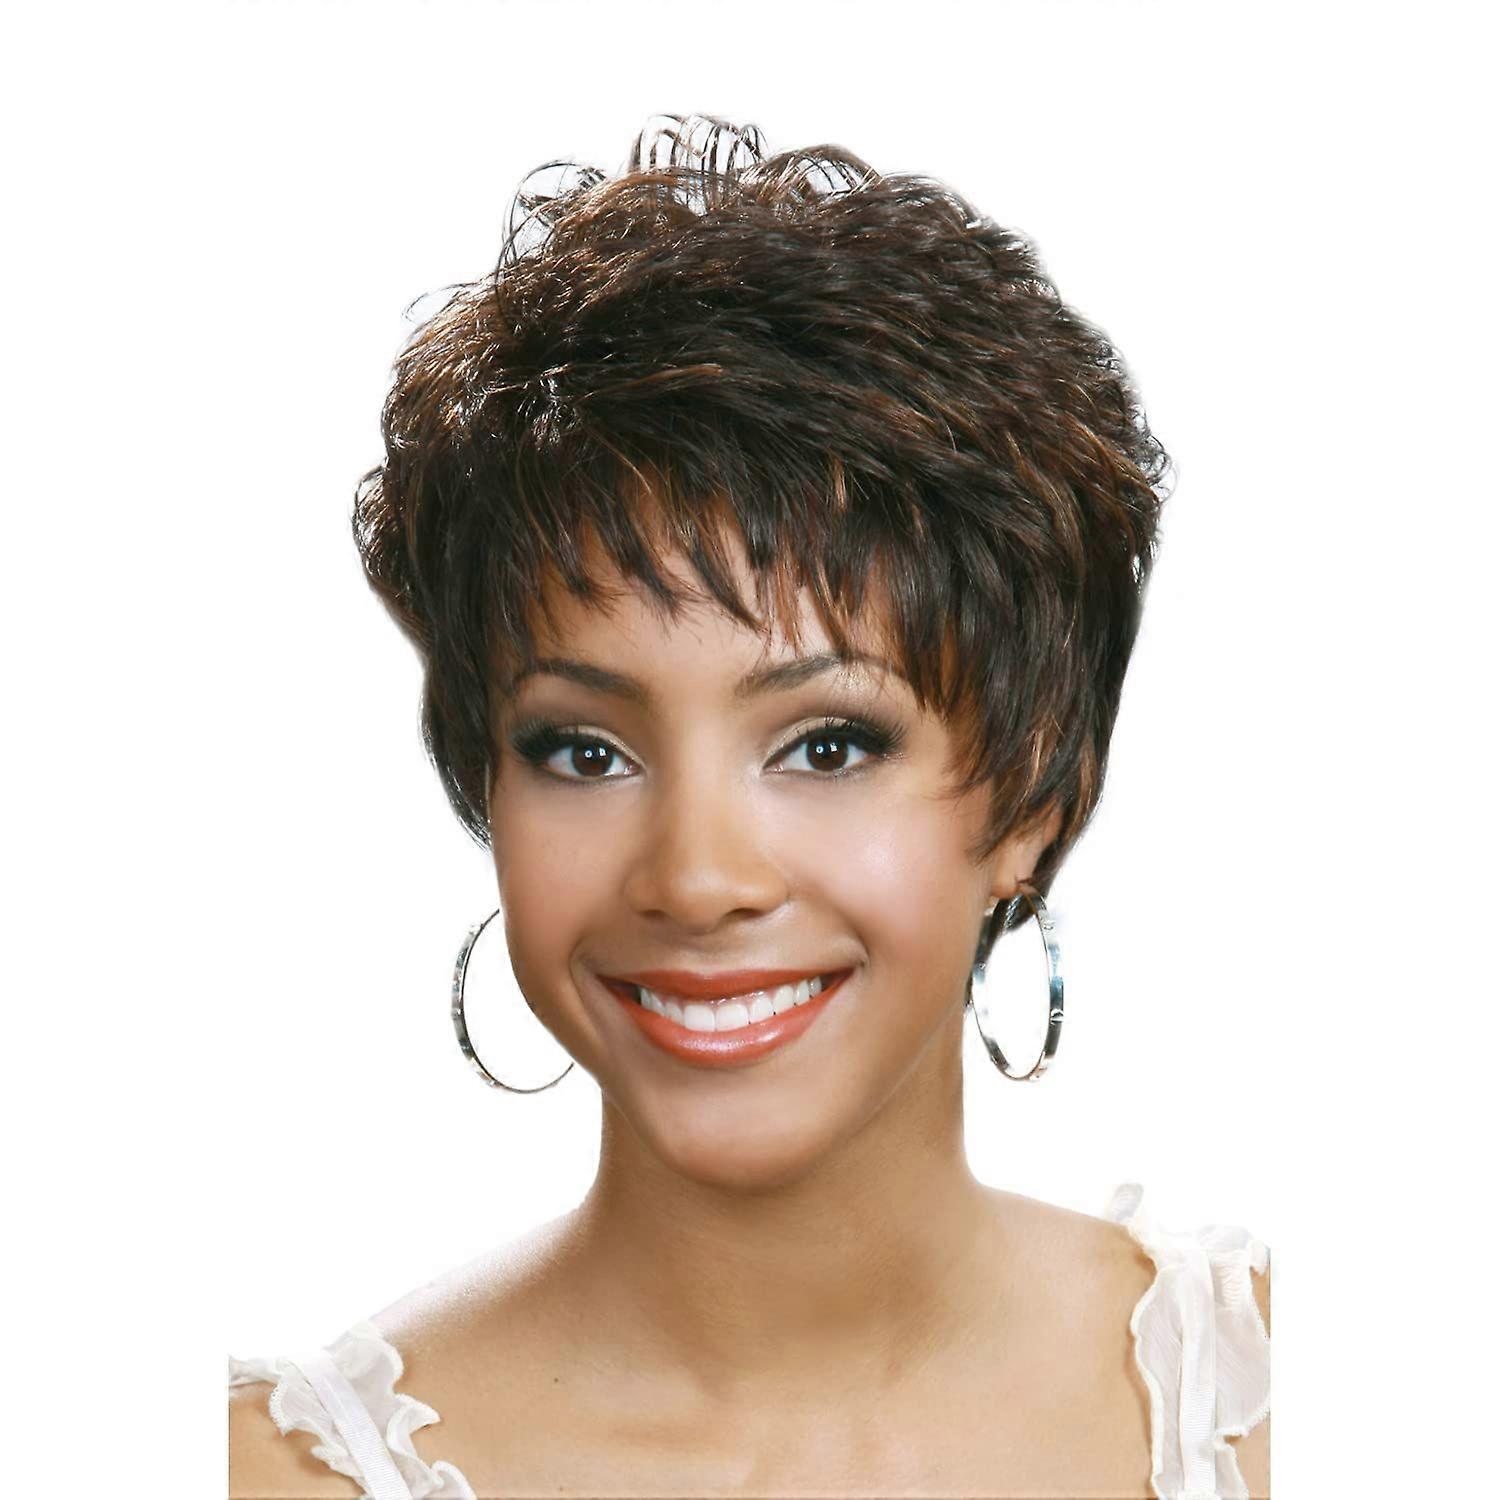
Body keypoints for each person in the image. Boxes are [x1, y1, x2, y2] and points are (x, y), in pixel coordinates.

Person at [228, 113, 1270, 1499]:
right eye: (584, 752)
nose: (697, 879)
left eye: (827, 746)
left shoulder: (1278, 1405)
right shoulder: (276, 1475)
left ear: (1037, 789)